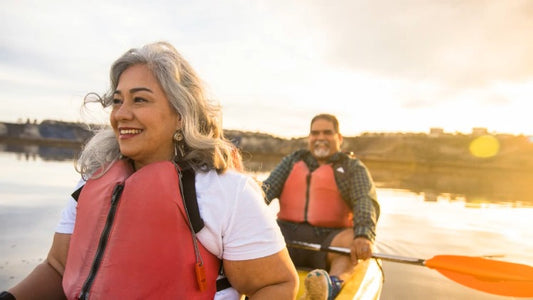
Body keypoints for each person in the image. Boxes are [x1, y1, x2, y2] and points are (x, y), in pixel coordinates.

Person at [2, 42, 298, 300]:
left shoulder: (227, 192)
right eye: (118, 101)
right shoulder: (91, 182)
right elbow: (56, 268)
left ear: (181, 115)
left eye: (139, 99)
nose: (121, 114)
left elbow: (276, 284)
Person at [262, 114, 380, 300]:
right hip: (286, 237)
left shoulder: (352, 168)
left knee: (352, 239)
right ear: (309, 137)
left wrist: (364, 234)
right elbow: (264, 193)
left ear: (339, 138)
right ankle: (256, 280)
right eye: (315, 133)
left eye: (327, 133)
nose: (320, 138)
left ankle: (331, 284)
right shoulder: (292, 161)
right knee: (258, 229)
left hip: (330, 240)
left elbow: (364, 200)